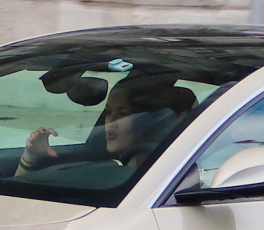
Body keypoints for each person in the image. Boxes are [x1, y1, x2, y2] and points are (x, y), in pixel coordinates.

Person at [16, 72, 198, 183]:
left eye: (124, 113)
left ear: (154, 120)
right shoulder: (104, 169)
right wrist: (31, 157)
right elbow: (16, 198)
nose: (111, 122)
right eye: (109, 112)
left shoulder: (171, 179)